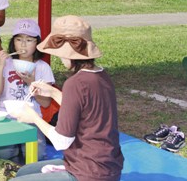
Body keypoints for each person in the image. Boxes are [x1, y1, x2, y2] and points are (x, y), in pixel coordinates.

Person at [10, 15, 124, 181]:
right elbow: (87, 110)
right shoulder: (100, 75)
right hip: (106, 166)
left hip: (87, 172)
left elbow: (61, 141)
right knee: (24, 172)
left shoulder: (75, 83)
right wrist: (53, 92)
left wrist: (33, 117)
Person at [0, 19, 54, 162]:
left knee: (36, 155)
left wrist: (31, 82)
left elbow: (45, 103)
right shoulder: (6, 64)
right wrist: (0, 65)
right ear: (13, 43)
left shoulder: (43, 67)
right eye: (19, 39)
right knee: (2, 154)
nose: (23, 44)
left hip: (32, 119)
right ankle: (14, 150)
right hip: (5, 118)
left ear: (37, 43)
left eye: (29, 40)